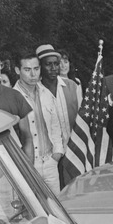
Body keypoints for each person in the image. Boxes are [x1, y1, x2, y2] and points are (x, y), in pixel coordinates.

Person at [12, 49, 65, 195]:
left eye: (36, 69)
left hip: (50, 162)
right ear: (18, 70)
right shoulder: (12, 97)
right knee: (32, 209)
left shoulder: (46, 93)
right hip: (28, 164)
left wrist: (58, 152)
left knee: (57, 208)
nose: (33, 74)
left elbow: (55, 125)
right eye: (27, 69)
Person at [37, 44, 83, 187]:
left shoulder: (72, 86)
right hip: (50, 156)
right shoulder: (36, 91)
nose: (54, 68)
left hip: (73, 151)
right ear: (40, 67)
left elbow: (81, 117)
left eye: (56, 64)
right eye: (48, 64)